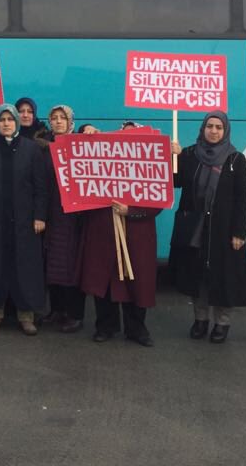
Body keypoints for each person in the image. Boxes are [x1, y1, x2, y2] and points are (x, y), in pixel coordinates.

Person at [169, 110, 246, 344]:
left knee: (223, 278)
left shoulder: (235, 159)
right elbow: (176, 182)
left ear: (225, 130)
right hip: (196, 228)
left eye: (218, 127)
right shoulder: (189, 154)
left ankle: (222, 323)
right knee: (198, 277)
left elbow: (243, 200)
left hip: (223, 230)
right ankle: (200, 320)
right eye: (209, 126)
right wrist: (173, 158)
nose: (213, 131)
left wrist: (239, 233)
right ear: (203, 128)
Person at [0, 104, 48, 335]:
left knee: (25, 267)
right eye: (2, 120)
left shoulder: (31, 149)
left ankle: (26, 316)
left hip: (25, 222)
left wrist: (40, 216)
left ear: (16, 122)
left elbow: (40, 188)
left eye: (10, 119)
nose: (6, 123)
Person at [79, 122, 160, 347]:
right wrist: (89, 136)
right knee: (104, 280)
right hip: (104, 231)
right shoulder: (101, 160)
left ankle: (137, 329)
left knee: (137, 282)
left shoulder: (151, 165)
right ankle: (106, 325)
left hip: (138, 235)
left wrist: (131, 210)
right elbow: (80, 172)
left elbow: (159, 198)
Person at [38, 104, 86, 333]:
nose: (58, 121)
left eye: (62, 118)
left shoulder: (80, 145)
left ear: (70, 122)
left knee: (72, 265)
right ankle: (56, 309)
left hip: (74, 216)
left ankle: (74, 313)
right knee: (52, 263)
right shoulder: (43, 146)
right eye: (54, 118)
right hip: (51, 213)